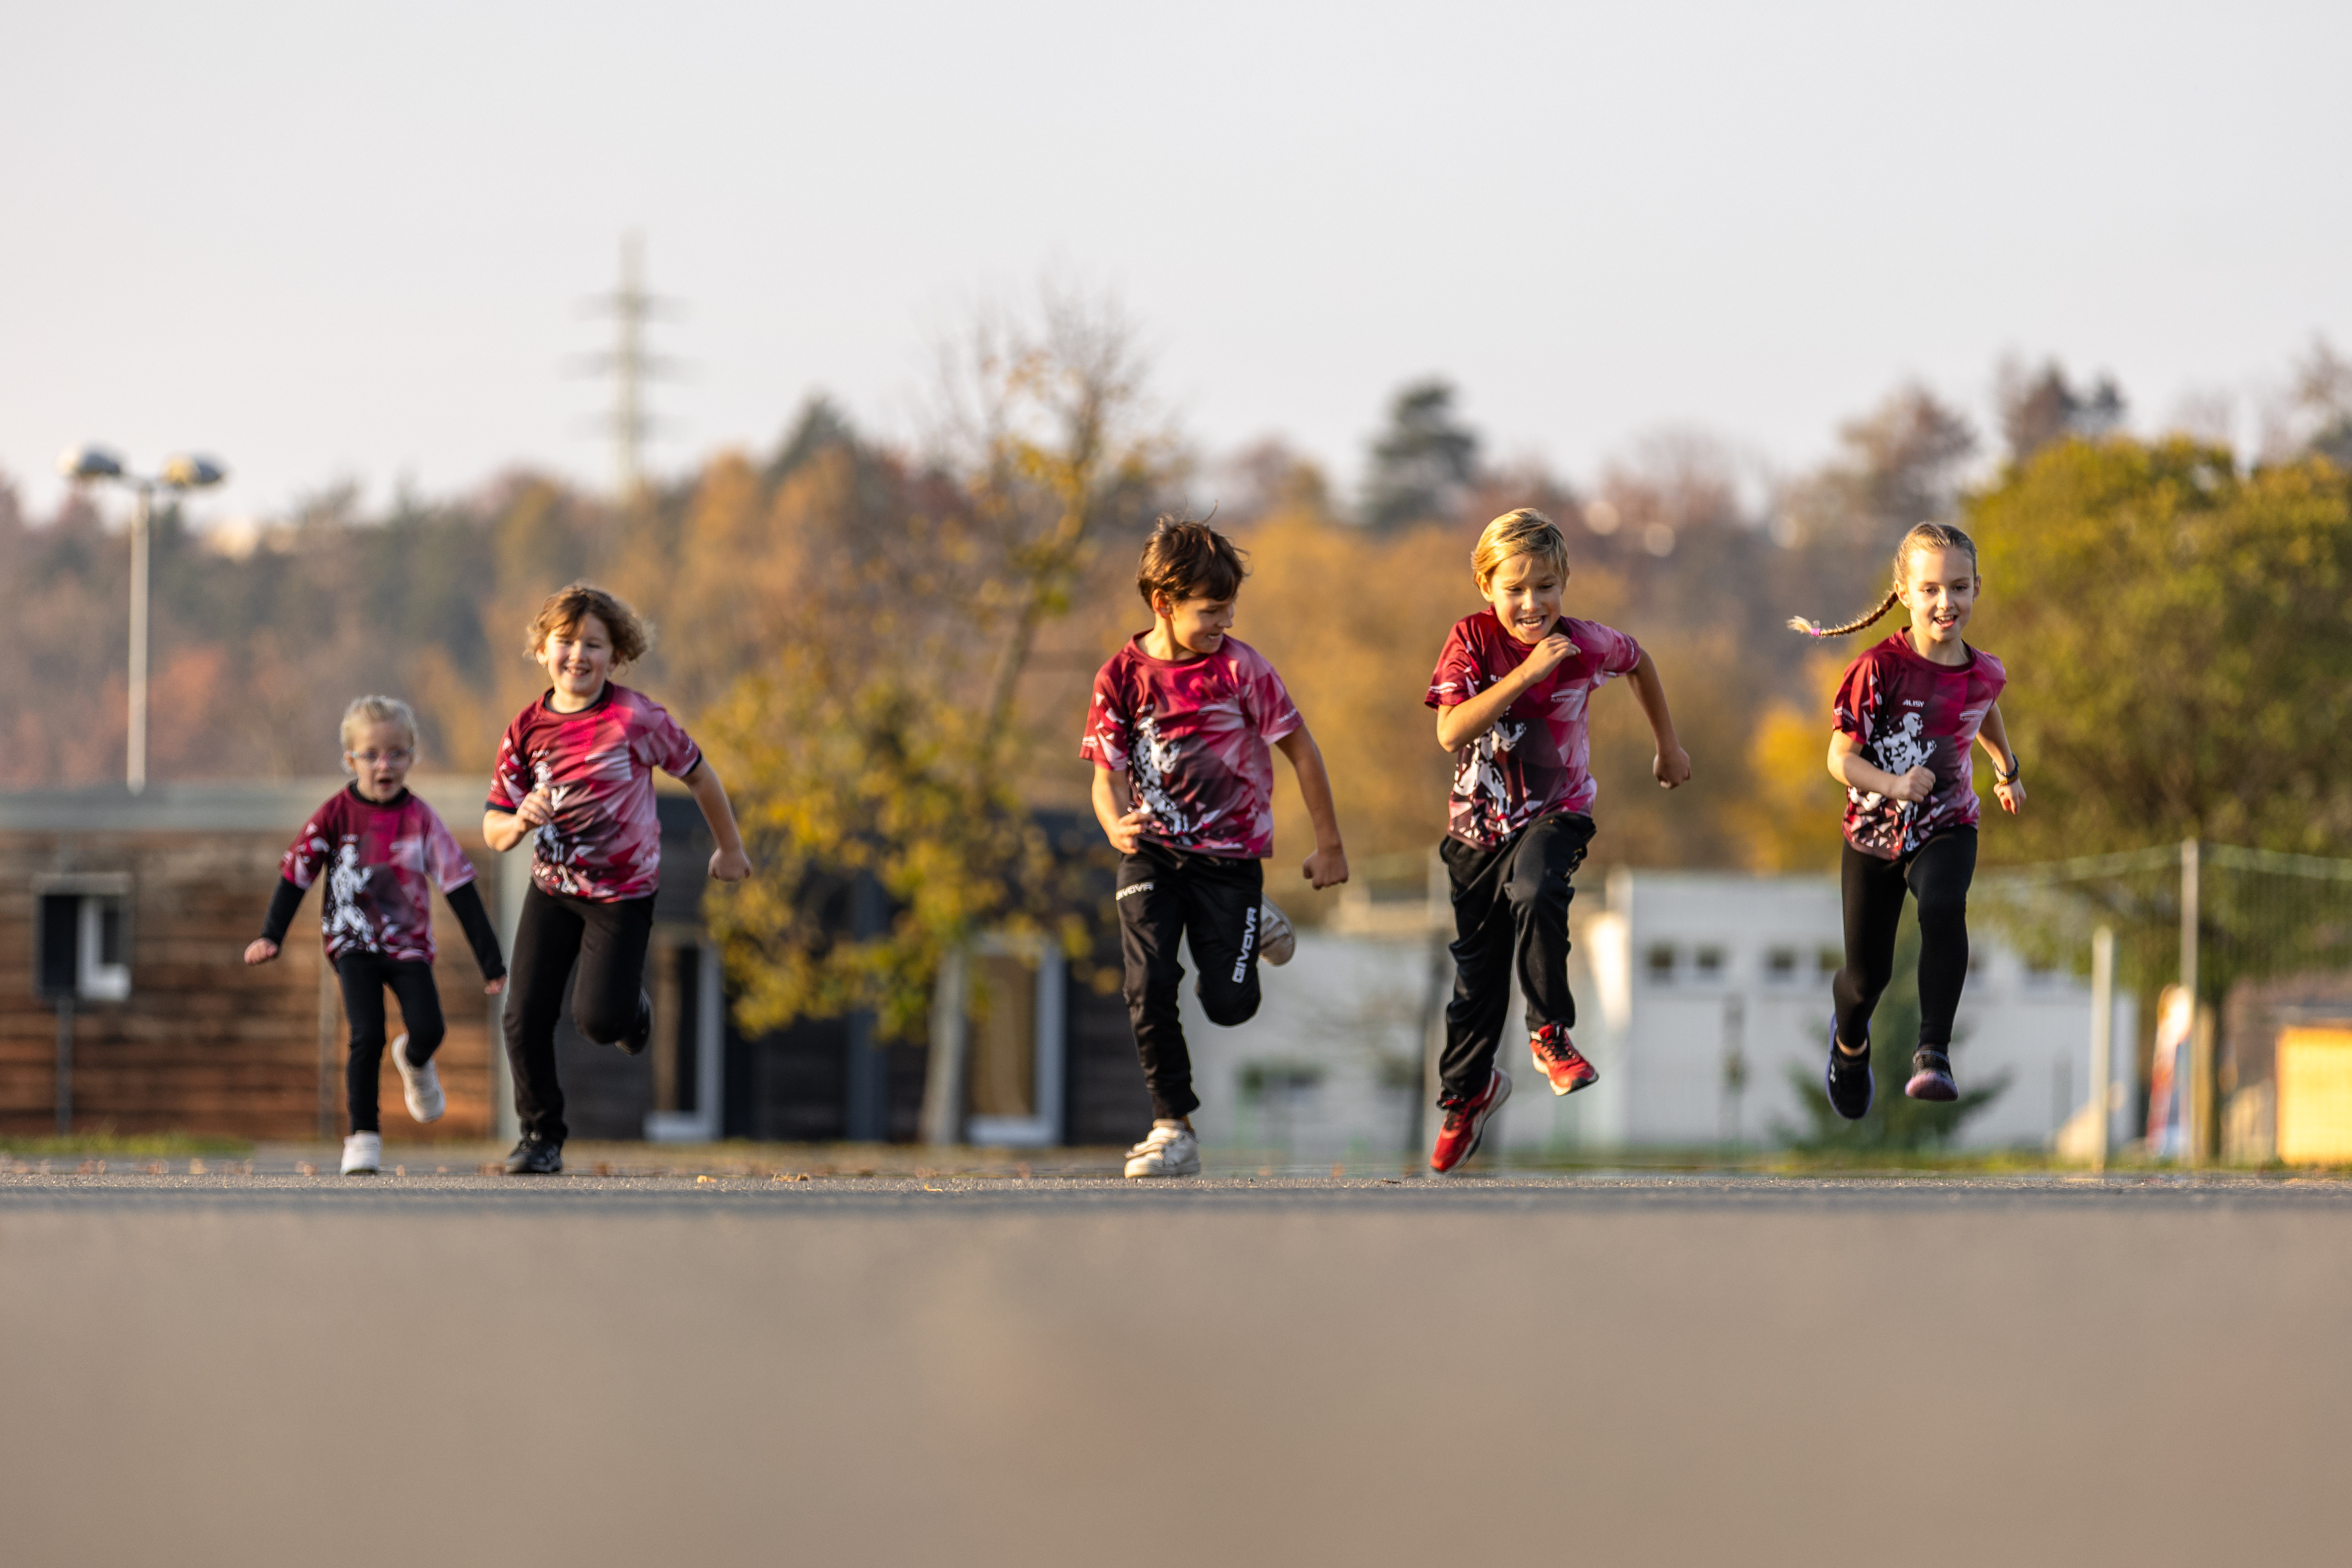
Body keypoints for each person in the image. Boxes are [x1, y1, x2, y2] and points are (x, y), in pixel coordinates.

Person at [1424, 508, 1689, 1174]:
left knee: (1536, 889)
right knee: (1476, 981)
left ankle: (1549, 1032)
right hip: (1476, 831)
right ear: (1486, 587)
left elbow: (1639, 661)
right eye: (1514, 589)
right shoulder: (1470, 641)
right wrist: (1523, 676)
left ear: (1564, 583)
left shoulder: (1585, 644)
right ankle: (1468, 1092)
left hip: (1556, 813)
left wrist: (1668, 745)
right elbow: (1450, 731)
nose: (1531, 603)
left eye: (1545, 586)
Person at [1082, 517, 1350, 1178]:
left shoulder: (1240, 668)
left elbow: (1301, 750)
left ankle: (1252, 920)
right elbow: (1104, 775)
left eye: (1230, 607)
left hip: (1229, 859)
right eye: (1210, 610)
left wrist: (1329, 844)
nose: (1224, 621)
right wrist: (1113, 824)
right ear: (1163, 603)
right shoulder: (1120, 676)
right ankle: (1171, 1126)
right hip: (1152, 852)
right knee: (1148, 982)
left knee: (1230, 1006)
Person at [483, 583, 752, 1175]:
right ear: (541, 649)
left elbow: (700, 775)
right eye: (565, 641)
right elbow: (494, 828)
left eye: (594, 644)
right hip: (553, 889)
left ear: (617, 654)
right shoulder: (525, 729)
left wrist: (729, 848)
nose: (578, 655)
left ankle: (632, 1010)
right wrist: (518, 821)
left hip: (622, 894)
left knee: (600, 1021)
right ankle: (540, 1136)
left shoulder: (636, 718)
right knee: (523, 1015)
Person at [1789, 520, 2023, 1116]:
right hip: (1872, 837)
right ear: (1903, 593)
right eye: (1931, 589)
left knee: (1943, 904)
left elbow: (1983, 706)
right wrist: (1894, 784)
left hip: (1948, 823)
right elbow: (1838, 759)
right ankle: (1849, 1046)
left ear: (1976, 588)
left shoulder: (1985, 670)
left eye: (1960, 588)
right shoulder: (1878, 669)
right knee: (1865, 979)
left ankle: (1933, 1053)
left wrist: (2007, 769)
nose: (1947, 602)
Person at [245, 696, 506, 1176]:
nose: (384, 765)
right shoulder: (335, 814)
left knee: (429, 1029)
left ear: (412, 756)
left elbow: (460, 888)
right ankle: (363, 1135)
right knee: (366, 1033)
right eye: (371, 755)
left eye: (396, 753)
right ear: (350, 759)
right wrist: (271, 935)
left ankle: (415, 1060)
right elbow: (297, 873)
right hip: (352, 944)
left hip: (408, 946)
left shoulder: (421, 819)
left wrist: (491, 963)